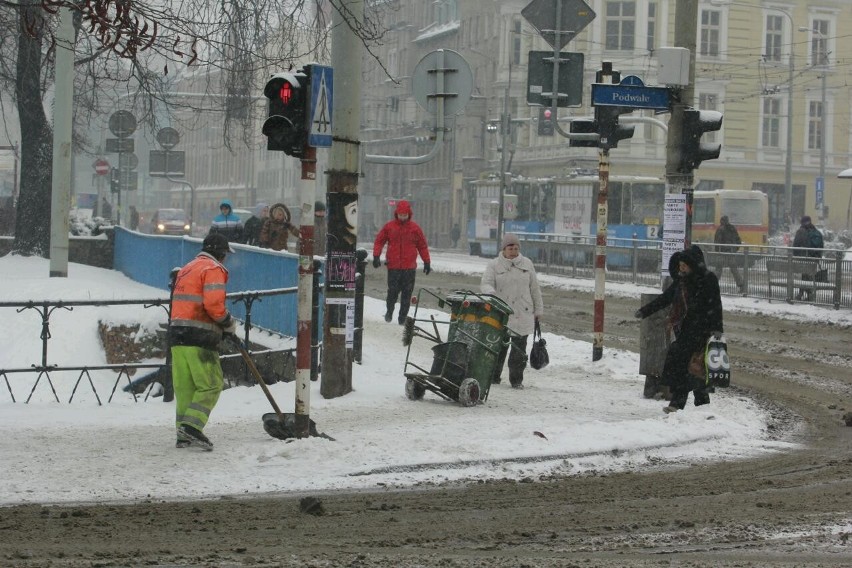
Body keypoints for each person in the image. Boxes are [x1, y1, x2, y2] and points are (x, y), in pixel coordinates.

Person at [168, 233, 238, 450]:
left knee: (185, 387)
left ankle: (183, 433)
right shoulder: (212, 269)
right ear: (222, 253)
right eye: (225, 254)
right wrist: (228, 324)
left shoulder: (187, 268)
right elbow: (214, 305)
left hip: (177, 335)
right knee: (211, 384)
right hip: (200, 337)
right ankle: (191, 427)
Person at [634, 244, 723, 413]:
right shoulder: (681, 282)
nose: (681, 269)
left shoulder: (708, 279)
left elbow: (716, 305)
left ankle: (682, 404)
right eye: (680, 266)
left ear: (692, 265)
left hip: (703, 332)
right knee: (688, 368)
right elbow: (665, 298)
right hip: (685, 331)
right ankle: (695, 405)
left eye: (684, 266)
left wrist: (717, 329)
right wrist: (645, 311)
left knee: (694, 368)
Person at [480, 233, 544, 389]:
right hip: (502, 312)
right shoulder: (494, 265)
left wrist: (538, 309)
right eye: (510, 247)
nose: (514, 250)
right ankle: (493, 376)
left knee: (519, 350)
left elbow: (535, 289)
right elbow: (485, 283)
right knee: (498, 348)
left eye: (516, 248)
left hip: (524, 312)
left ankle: (516, 380)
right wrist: (490, 293)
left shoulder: (527, 264)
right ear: (504, 248)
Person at [372, 199, 431, 324]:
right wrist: (376, 256)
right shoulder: (390, 227)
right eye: (400, 215)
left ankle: (402, 317)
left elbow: (422, 246)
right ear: (396, 214)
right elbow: (379, 241)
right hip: (393, 266)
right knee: (392, 292)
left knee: (407, 294)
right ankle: (389, 311)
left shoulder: (415, 229)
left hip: (409, 268)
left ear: (409, 214)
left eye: (405, 215)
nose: (402, 217)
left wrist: (426, 261)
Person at [792, 215, 824, 301]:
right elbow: (820, 246)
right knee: (807, 276)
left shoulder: (801, 231)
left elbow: (796, 245)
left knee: (805, 276)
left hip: (804, 259)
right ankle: (805, 293)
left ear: (802, 222)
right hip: (813, 259)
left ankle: (805, 294)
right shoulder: (815, 231)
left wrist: (796, 256)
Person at [713, 215, 744, 292]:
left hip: (722, 253)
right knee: (734, 270)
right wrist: (734, 249)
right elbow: (738, 240)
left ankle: (713, 287)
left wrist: (718, 251)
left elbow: (717, 242)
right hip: (731, 253)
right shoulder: (732, 228)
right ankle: (741, 285)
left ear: (722, 221)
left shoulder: (720, 229)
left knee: (718, 270)